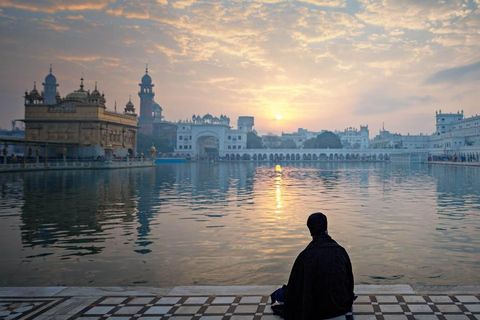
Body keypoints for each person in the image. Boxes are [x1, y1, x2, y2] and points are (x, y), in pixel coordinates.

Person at [272, 212, 355, 320]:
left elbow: (294, 289)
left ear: (310, 231)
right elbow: (349, 283)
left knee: (279, 294)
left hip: (315, 309)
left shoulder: (305, 256)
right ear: (326, 227)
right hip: (340, 306)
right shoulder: (341, 251)